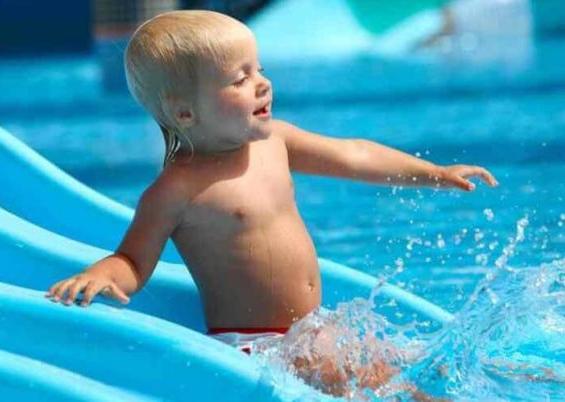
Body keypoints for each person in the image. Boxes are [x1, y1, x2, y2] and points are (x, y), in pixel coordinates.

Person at [45, 10, 497, 399]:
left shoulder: (274, 142)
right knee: (406, 394)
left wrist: (434, 174)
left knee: (423, 365)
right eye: (241, 79)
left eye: (258, 69)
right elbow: (133, 260)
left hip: (314, 333)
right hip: (258, 349)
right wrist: (101, 275)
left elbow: (353, 155)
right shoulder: (176, 190)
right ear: (185, 113)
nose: (262, 84)